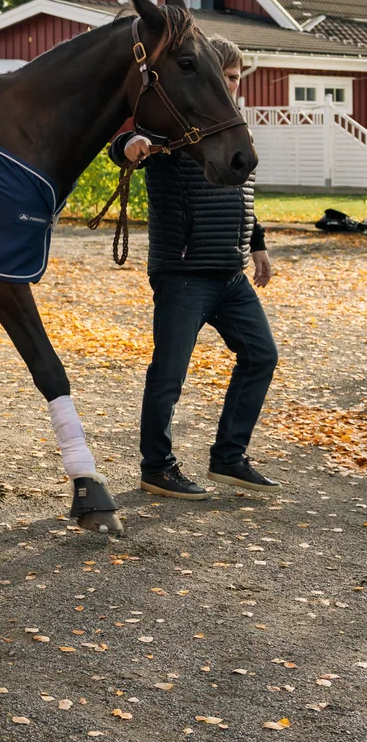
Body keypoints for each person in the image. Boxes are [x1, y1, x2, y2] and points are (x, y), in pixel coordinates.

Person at [111, 35, 279, 498]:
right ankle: (157, 467)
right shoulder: (176, 121)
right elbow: (127, 139)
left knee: (261, 355)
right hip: (183, 273)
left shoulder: (228, 129)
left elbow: (243, 193)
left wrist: (258, 244)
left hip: (230, 273)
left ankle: (229, 458)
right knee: (169, 374)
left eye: (235, 80)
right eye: (227, 78)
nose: (232, 87)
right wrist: (130, 144)